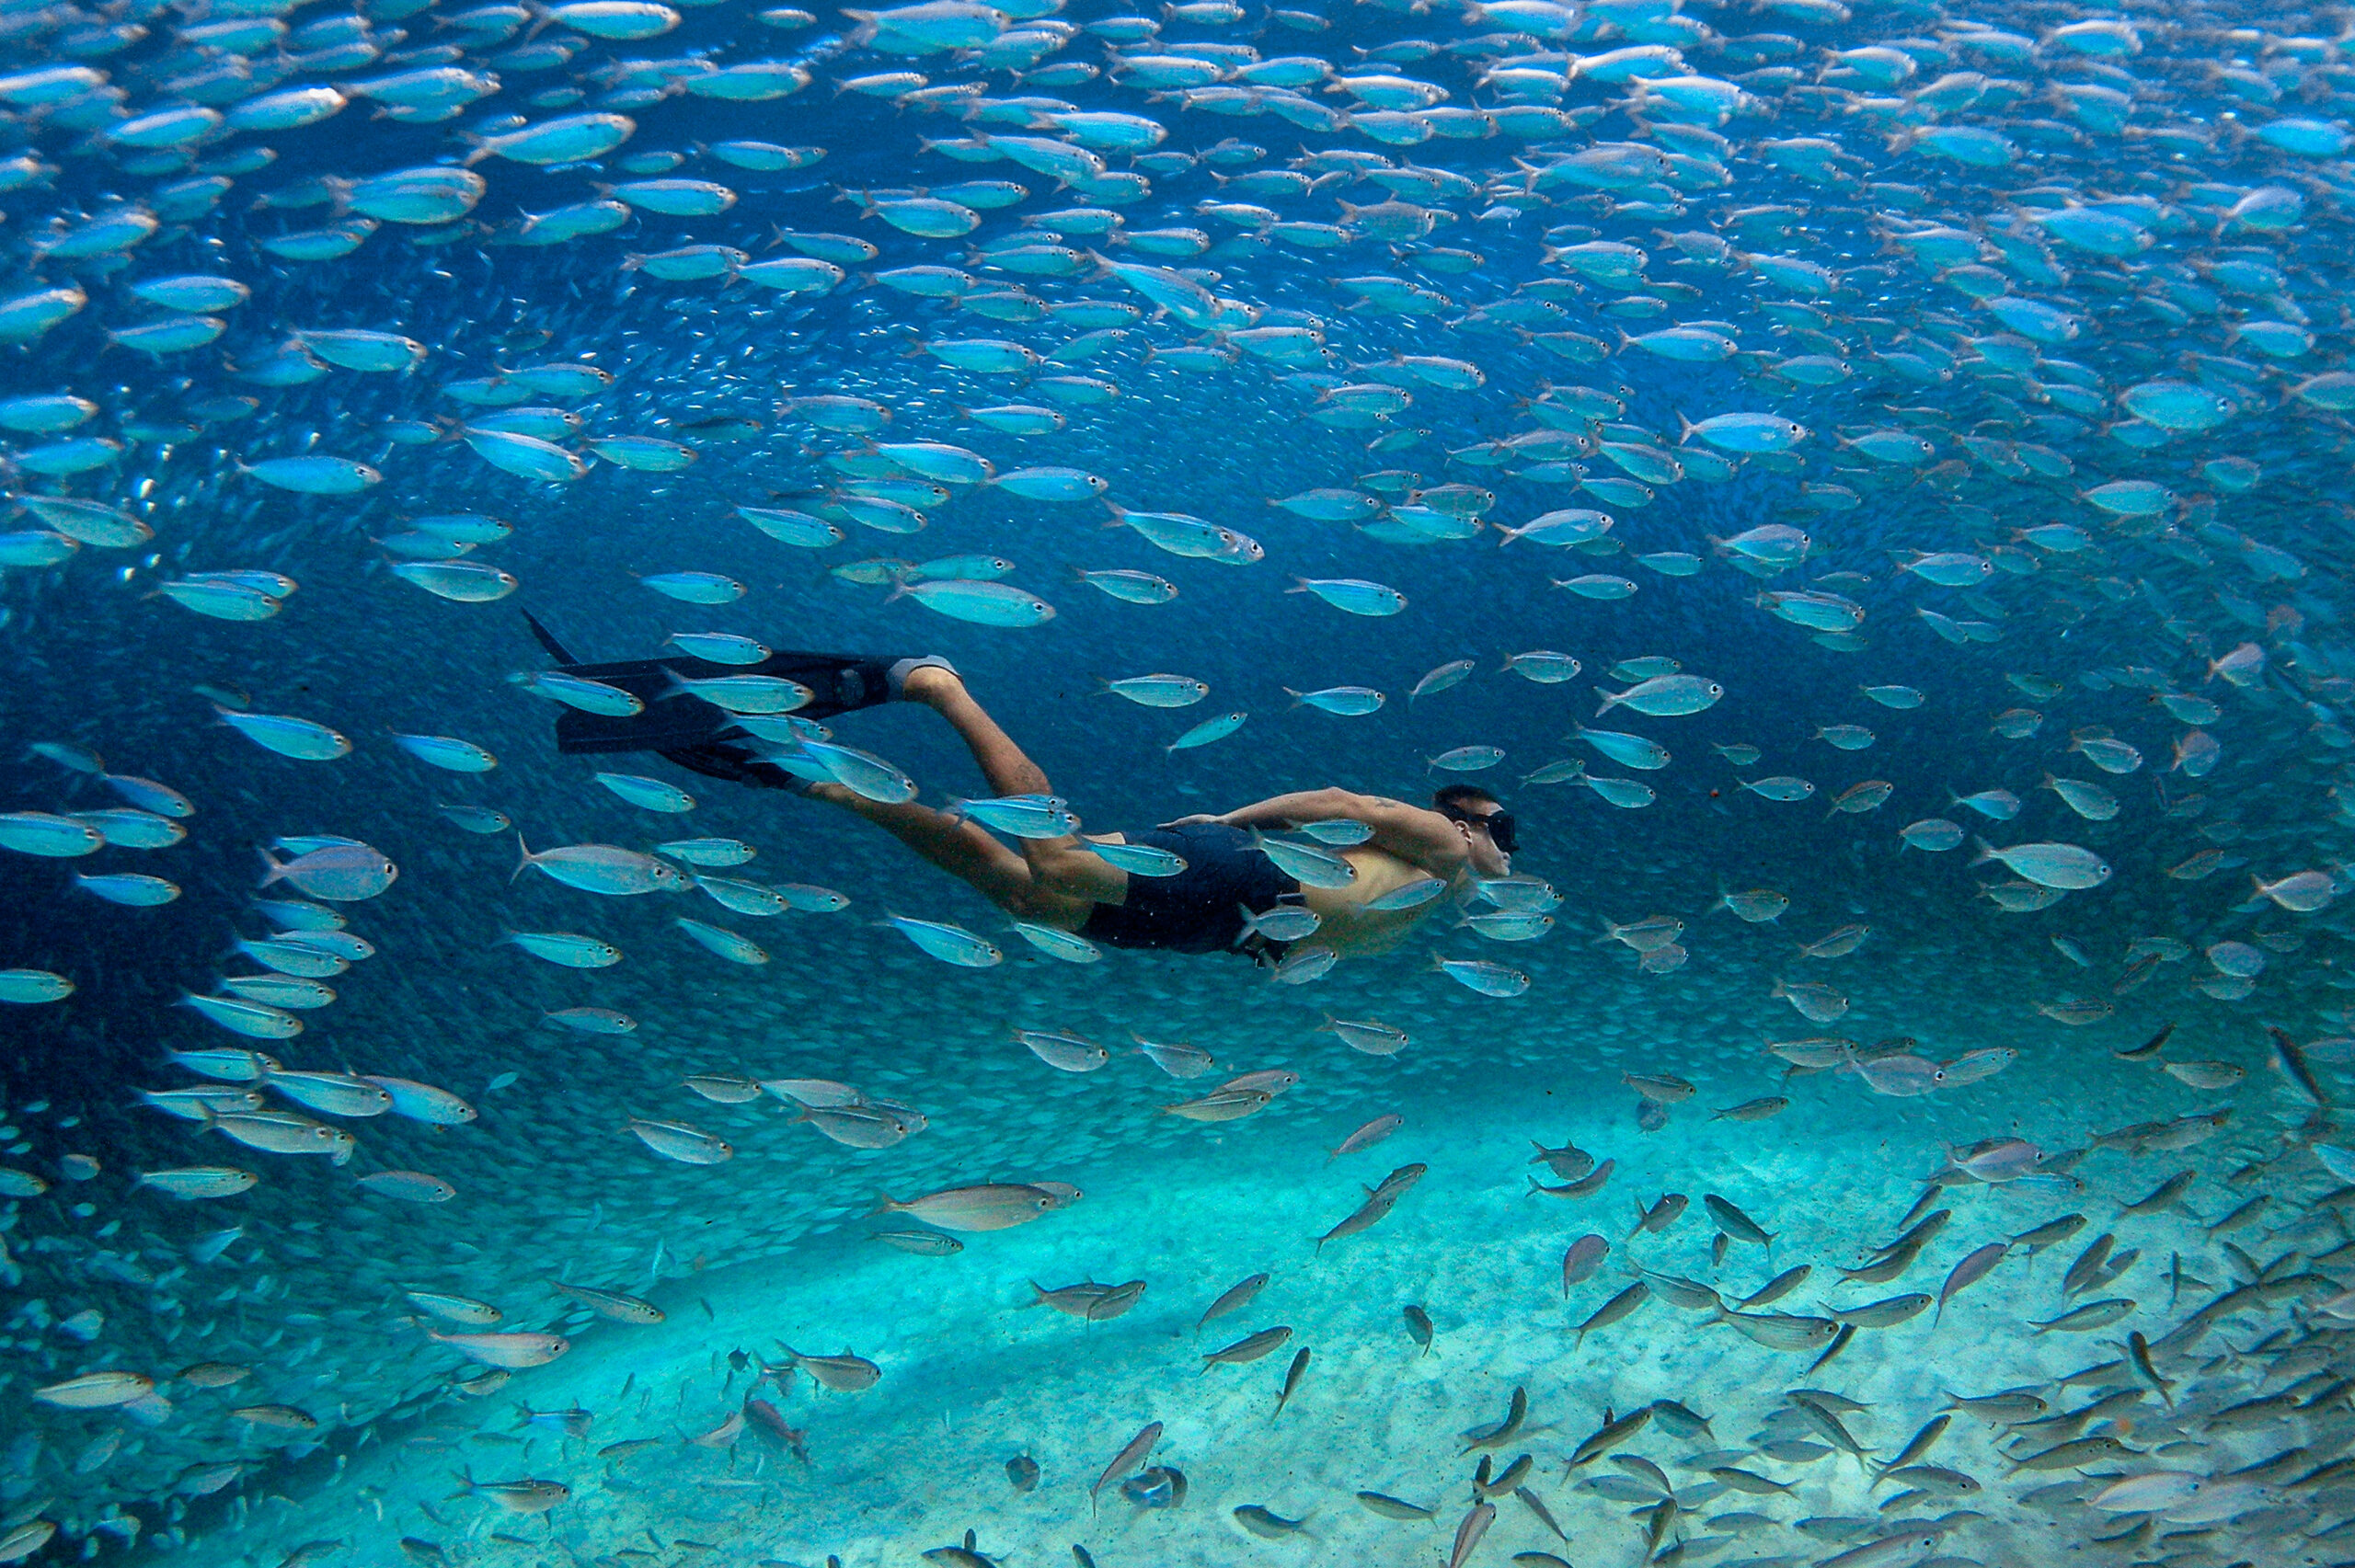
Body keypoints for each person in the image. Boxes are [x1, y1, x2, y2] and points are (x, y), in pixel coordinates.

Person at [523, 621, 1518, 961]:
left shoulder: (1443, 897)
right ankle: (940, 688)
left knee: (1027, 895)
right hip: (1251, 872)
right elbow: (1349, 794)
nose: (1506, 855)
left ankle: (842, 789)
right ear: (1472, 821)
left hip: (1229, 927)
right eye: (1502, 833)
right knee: (1063, 858)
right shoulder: (1439, 838)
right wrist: (1236, 819)